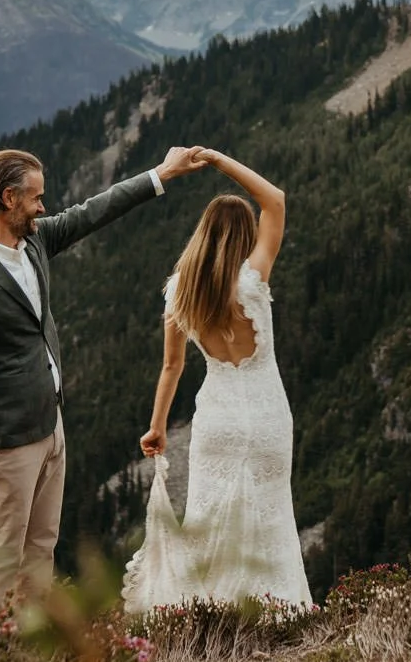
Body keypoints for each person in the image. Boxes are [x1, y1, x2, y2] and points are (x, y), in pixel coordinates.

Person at [0, 144, 207, 613]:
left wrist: (161, 174)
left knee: (40, 547)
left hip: (50, 425)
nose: (44, 207)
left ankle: (28, 644)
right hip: (5, 441)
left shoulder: (34, 240)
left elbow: (93, 211)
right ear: (7, 198)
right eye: (35, 197)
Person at [122, 149, 313, 612]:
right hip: (267, 416)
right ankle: (276, 615)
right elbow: (276, 200)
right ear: (247, 235)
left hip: (218, 420)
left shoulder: (180, 292)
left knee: (207, 518)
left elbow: (172, 366)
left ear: (202, 234)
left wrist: (157, 426)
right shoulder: (254, 279)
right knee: (270, 517)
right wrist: (220, 161)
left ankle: (208, 618)